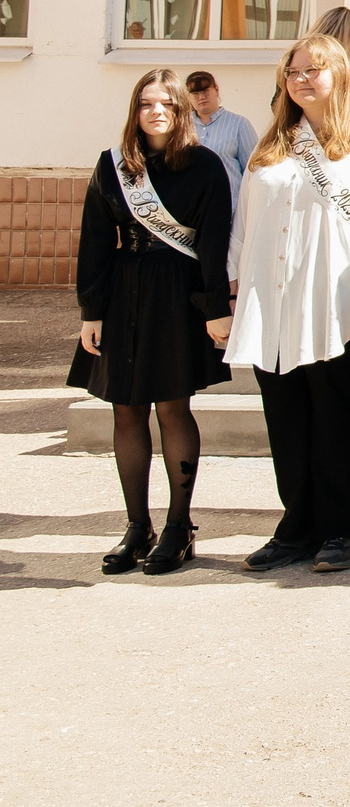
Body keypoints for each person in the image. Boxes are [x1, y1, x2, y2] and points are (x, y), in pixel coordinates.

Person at [230, 32, 350, 574]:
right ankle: (297, 526)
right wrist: (235, 293)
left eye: (315, 69)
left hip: (339, 307)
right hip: (273, 305)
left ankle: (341, 528)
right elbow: (245, 228)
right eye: (294, 71)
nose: (303, 78)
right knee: (286, 418)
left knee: (340, 418)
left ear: (340, 76)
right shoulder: (271, 147)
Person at [73, 69, 234, 575]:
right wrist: (91, 311)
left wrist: (215, 309)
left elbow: (213, 241)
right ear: (134, 111)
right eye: (145, 104)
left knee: (171, 408)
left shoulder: (205, 166)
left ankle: (178, 526)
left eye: (165, 102)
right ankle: (136, 527)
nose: (155, 111)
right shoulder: (114, 165)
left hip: (178, 295)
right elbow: (95, 241)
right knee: (126, 410)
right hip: (124, 295)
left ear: (181, 109)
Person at [184, 70, 257, 195]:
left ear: (216, 90)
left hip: (230, 206)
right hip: (191, 207)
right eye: (195, 93)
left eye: (205, 91)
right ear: (188, 97)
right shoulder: (181, 127)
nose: (201, 97)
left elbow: (253, 170)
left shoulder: (239, 124)